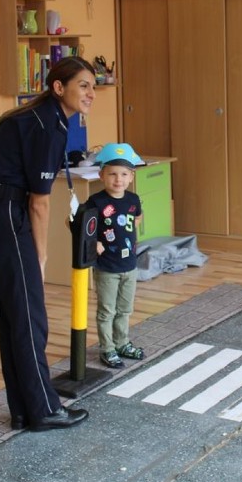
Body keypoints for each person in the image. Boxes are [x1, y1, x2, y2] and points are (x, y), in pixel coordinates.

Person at [0, 56, 93, 432]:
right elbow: (39, 202)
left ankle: (23, 408)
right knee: (29, 316)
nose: (90, 93)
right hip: (4, 215)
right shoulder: (46, 127)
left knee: (14, 315)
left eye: (92, 86)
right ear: (59, 87)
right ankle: (43, 409)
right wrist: (41, 256)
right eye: (83, 85)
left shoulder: (43, 119)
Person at [86, 143, 146, 369]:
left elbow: (137, 218)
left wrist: (131, 237)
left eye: (123, 174)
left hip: (129, 265)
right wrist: (95, 242)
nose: (118, 179)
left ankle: (122, 343)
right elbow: (80, 225)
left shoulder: (133, 200)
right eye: (112, 174)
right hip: (106, 267)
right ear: (101, 175)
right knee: (107, 310)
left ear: (131, 176)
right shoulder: (96, 202)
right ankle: (107, 348)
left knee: (125, 309)